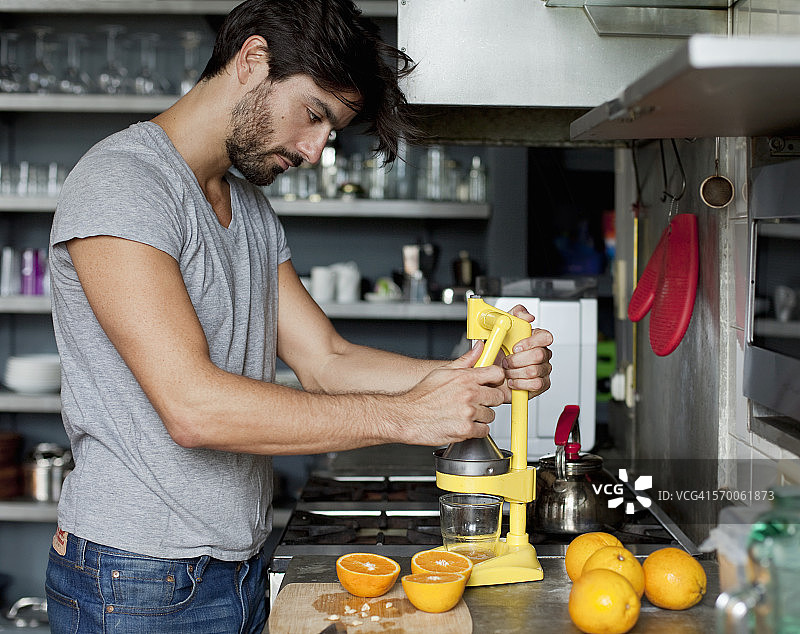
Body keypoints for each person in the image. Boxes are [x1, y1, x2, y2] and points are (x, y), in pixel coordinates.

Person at [44, 1, 554, 632]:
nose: (314, 151)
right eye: (314, 114)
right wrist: (406, 415)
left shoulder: (248, 207)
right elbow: (193, 408)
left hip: (236, 565)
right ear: (254, 59)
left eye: (330, 131)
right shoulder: (125, 182)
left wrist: (479, 374)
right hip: (133, 576)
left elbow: (326, 360)